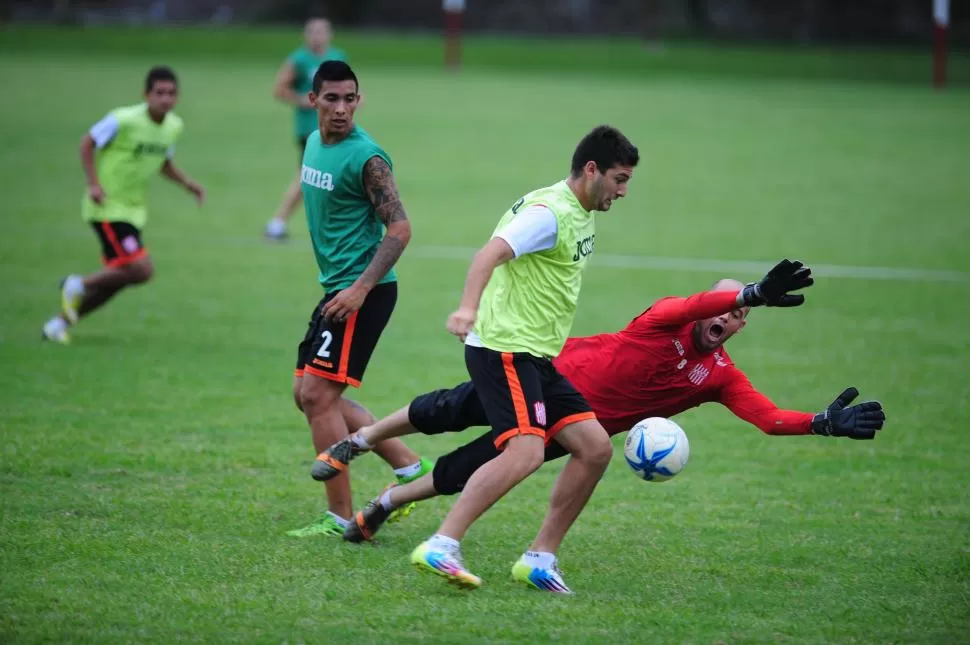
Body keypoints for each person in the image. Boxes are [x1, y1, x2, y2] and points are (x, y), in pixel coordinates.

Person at [336, 265, 886, 593]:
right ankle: (362, 439)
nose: (731, 320)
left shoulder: (718, 376)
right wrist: (747, 293)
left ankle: (390, 507)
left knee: (468, 470)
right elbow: (699, 301)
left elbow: (766, 418)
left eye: (742, 317)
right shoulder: (668, 316)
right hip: (538, 377)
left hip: (569, 427)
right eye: (731, 307)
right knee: (444, 410)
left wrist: (821, 424)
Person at [312, 125, 641, 589]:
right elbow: (488, 255)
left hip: (537, 356)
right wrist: (467, 308)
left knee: (594, 448)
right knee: (524, 452)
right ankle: (443, 543)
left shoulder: (578, 207)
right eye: (620, 179)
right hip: (506, 350)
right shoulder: (548, 213)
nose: (624, 191)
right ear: (592, 170)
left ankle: (540, 557)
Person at [286, 60, 433, 539]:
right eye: (332, 98)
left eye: (351, 98)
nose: (342, 108)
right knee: (306, 395)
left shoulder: (368, 158)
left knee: (317, 395)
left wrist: (359, 288)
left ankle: (339, 517)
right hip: (337, 288)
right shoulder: (311, 143)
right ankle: (407, 463)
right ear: (313, 101)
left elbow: (401, 229)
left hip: (364, 291)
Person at [42, 66, 205, 344]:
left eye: (171, 93)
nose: (166, 99)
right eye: (160, 93)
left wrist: (188, 184)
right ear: (146, 94)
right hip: (107, 207)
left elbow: (163, 163)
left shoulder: (173, 126)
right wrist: (93, 184)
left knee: (119, 279)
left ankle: (58, 324)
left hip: (133, 210)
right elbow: (87, 142)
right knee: (142, 270)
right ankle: (77, 284)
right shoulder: (123, 119)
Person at [264, 17, 347, 241]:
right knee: (309, 176)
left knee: (332, 176)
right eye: (313, 32)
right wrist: (303, 100)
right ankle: (277, 222)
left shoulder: (338, 57)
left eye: (322, 32)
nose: (317, 37)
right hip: (309, 129)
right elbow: (279, 89)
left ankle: (330, 227)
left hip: (336, 128)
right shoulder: (299, 59)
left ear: (330, 34)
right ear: (305, 35)